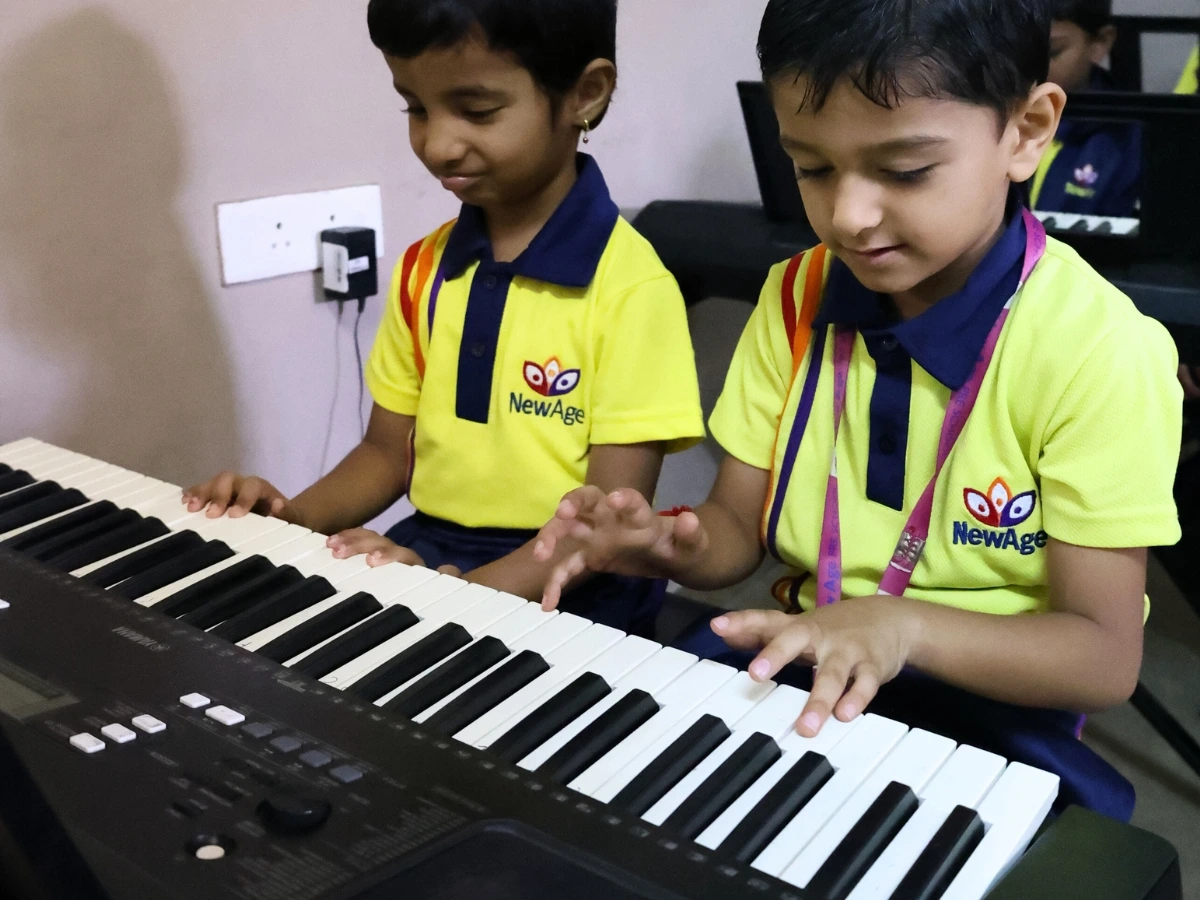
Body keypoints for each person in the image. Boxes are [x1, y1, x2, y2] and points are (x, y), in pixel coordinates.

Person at [533, 0, 1181, 820]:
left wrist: (900, 628)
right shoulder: (795, 295)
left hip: (991, 725)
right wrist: (665, 543)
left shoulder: (1100, 350)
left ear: (1026, 129)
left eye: (905, 171)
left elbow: (1101, 657)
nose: (848, 216)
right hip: (806, 669)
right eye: (812, 167)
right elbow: (736, 533)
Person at [184, 0, 705, 637]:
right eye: (416, 107)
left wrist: (455, 595)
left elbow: (601, 531)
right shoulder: (422, 270)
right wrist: (283, 522)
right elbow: (386, 455)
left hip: (571, 583)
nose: (436, 143)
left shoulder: (632, 290)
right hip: (434, 554)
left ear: (585, 94)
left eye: (477, 110)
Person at [1030, 0, 1140, 218]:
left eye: (1052, 52)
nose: (1030, 66)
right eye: (1017, 50)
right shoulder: (993, 114)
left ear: (1100, 42)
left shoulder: (1128, 139)